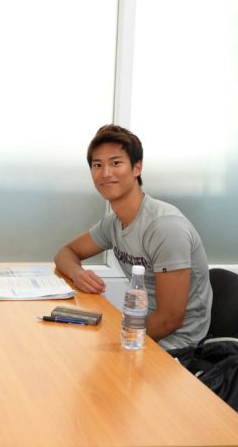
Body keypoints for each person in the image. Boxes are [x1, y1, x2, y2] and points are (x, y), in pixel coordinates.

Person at [54, 124, 212, 350]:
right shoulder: (114, 222)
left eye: (115, 163)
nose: (105, 173)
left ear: (137, 168)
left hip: (180, 343)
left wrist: (118, 343)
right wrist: (78, 274)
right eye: (97, 165)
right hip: (139, 328)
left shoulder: (164, 226)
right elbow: (65, 254)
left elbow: (169, 319)